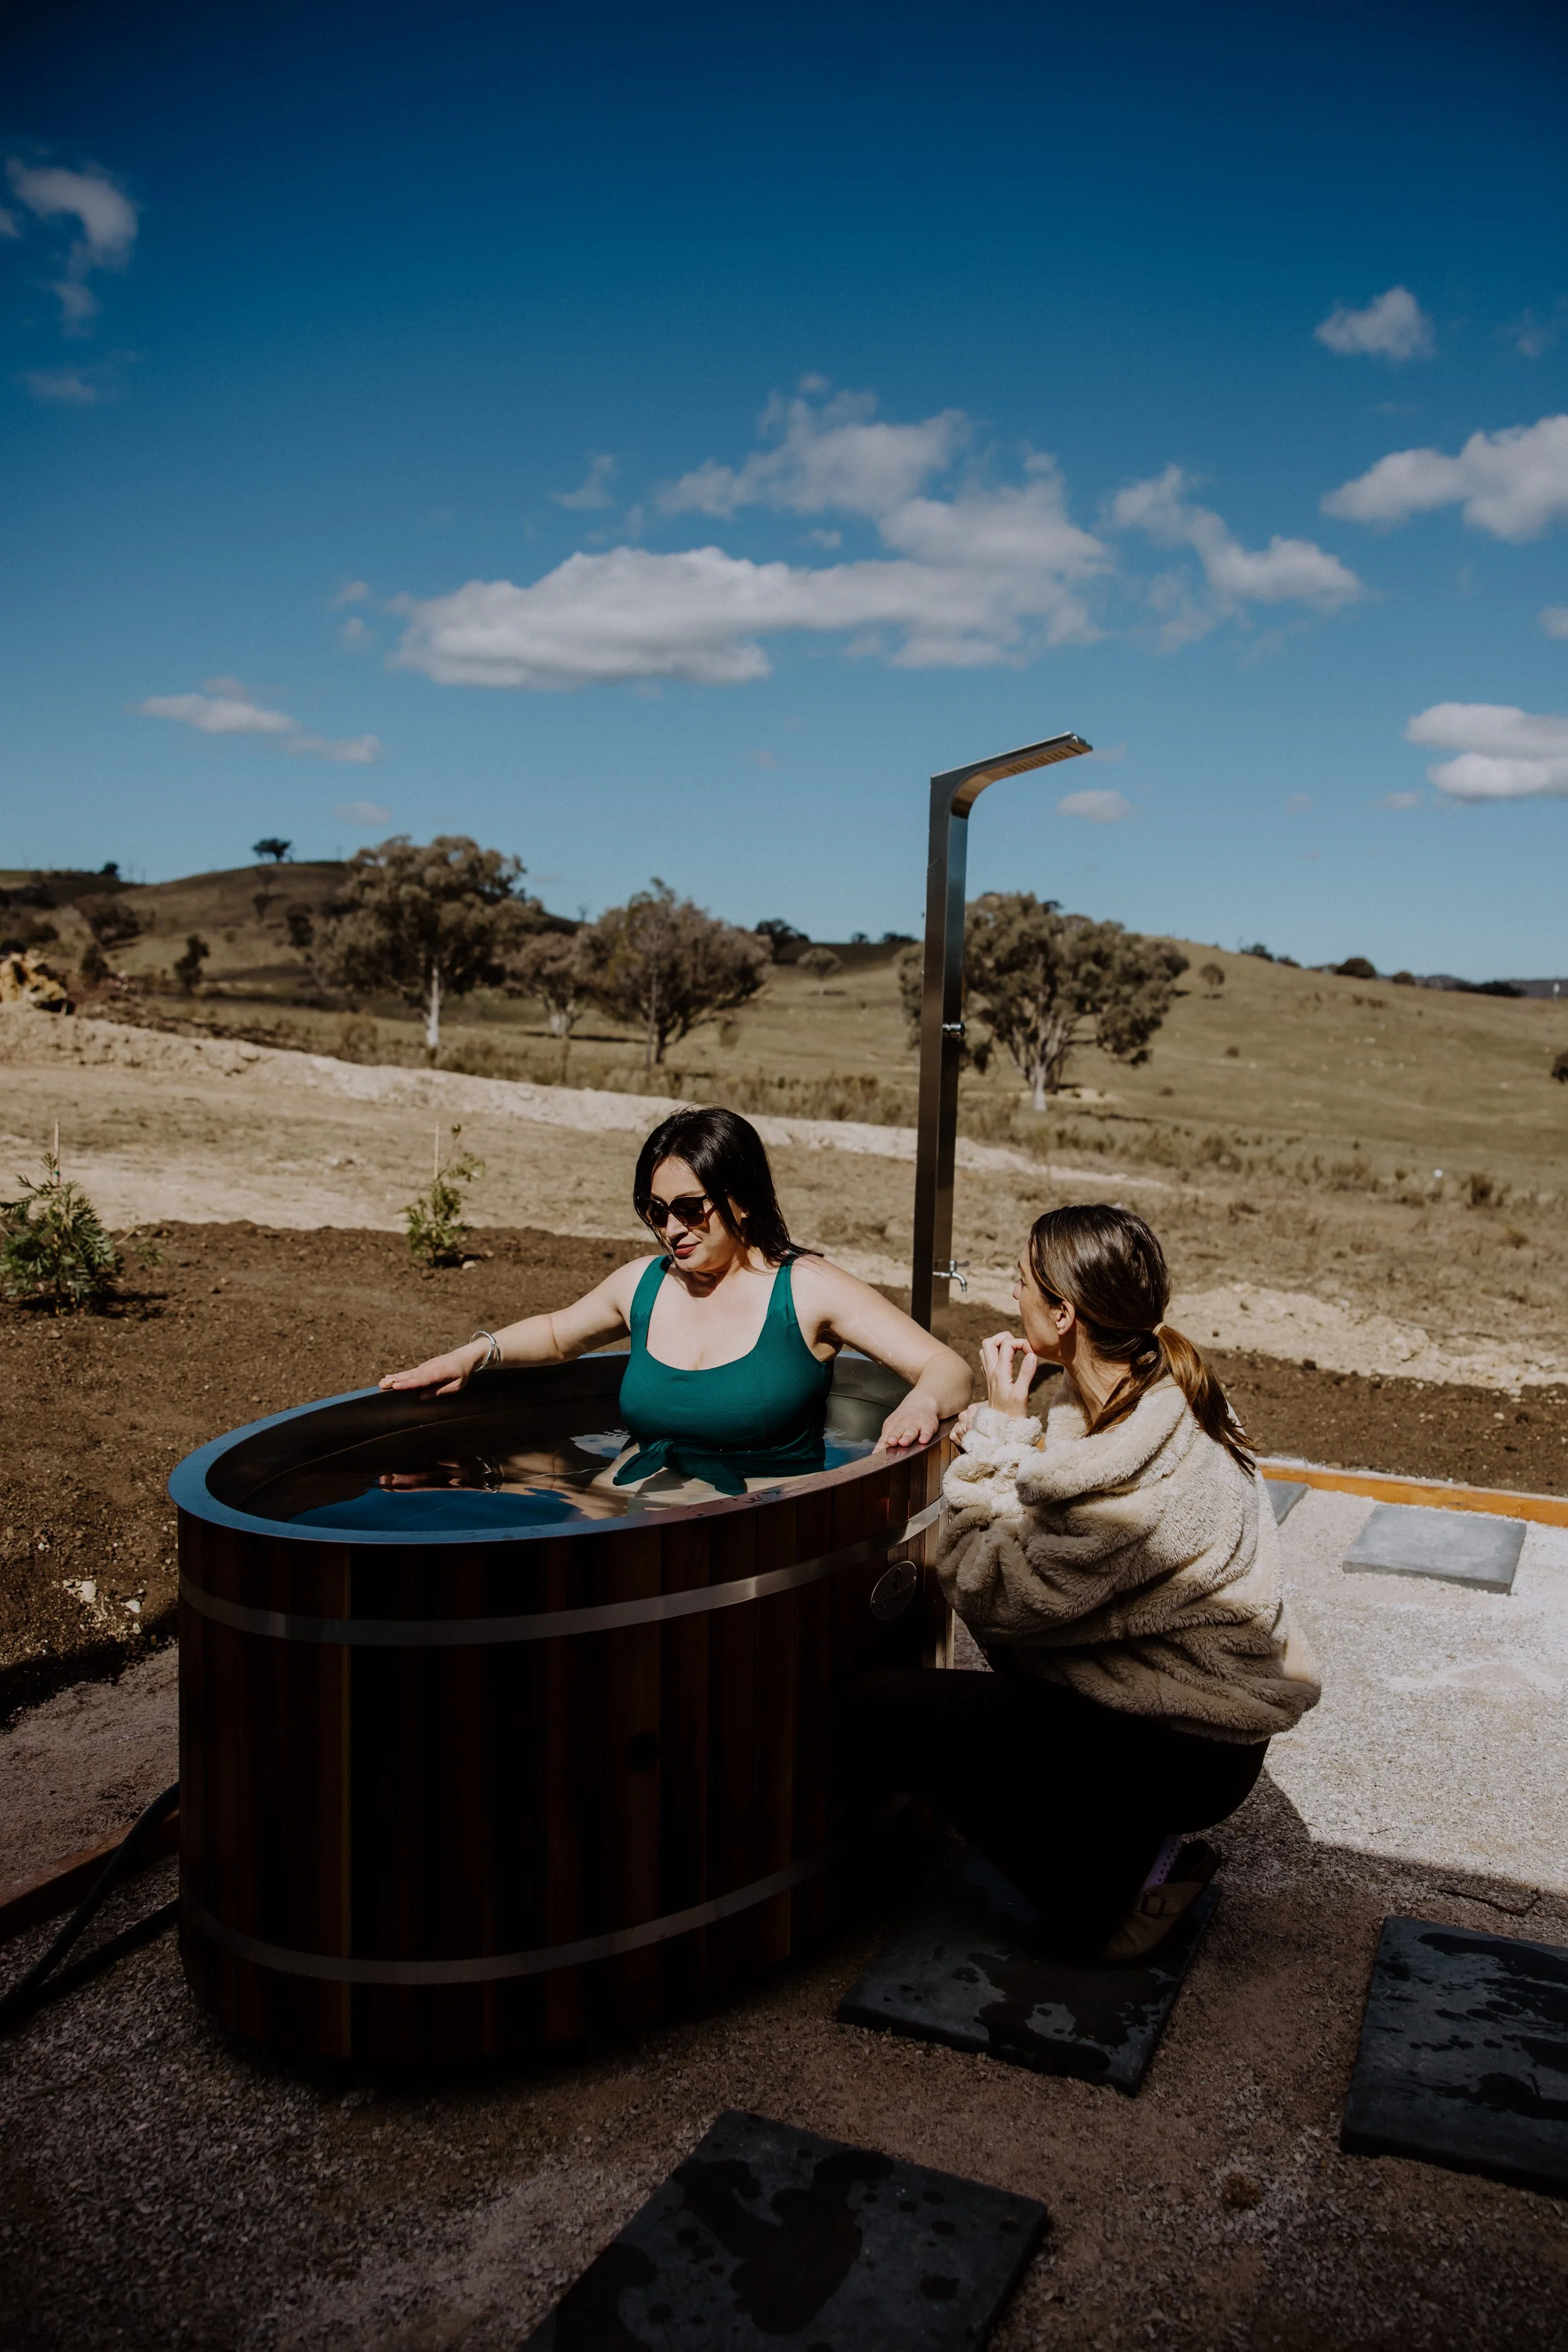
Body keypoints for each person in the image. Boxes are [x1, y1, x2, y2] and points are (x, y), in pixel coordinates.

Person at [848, 1202, 1321, 1965]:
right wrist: (1025, 1444)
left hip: (1187, 1750)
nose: (1011, 1296)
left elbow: (985, 1590)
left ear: (1063, 1313)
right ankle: (1119, 1827)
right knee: (1011, 1677)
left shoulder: (1122, 1492)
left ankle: (1113, 1899)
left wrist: (1001, 1435)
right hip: (1209, 1719)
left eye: (1022, 1282)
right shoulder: (1166, 1392)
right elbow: (1067, 1541)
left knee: (882, 1713)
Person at [381, 1104, 972, 1496]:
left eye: (690, 1208)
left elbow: (947, 1368)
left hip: (768, 1512)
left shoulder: (808, 1289)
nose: (673, 1228)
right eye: (656, 1211)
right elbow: (561, 1335)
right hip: (633, 1498)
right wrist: (469, 1357)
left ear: (739, 1199)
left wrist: (920, 1406)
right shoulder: (643, 1282)